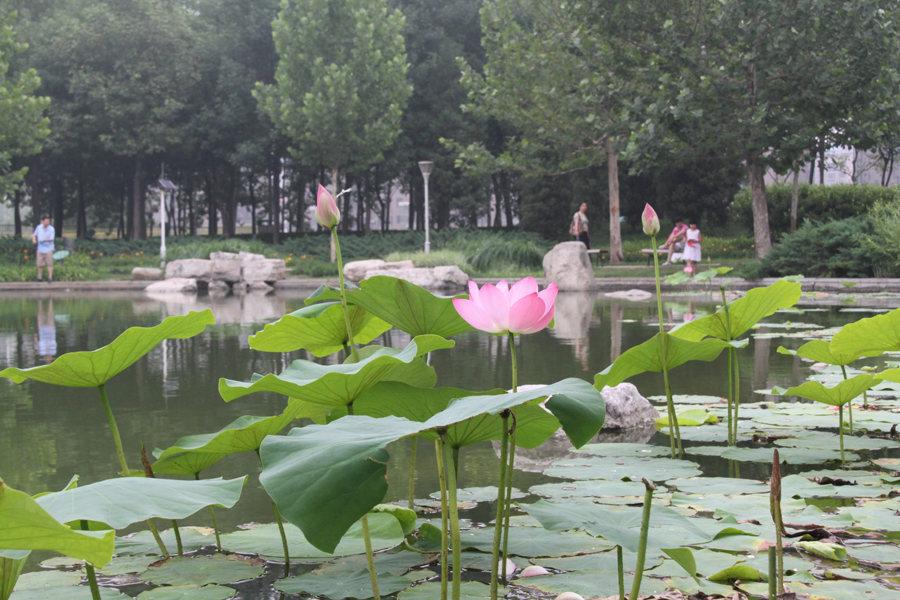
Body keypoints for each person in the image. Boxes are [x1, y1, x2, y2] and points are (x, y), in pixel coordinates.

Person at [32, 216, 55, 283]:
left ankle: (50, 277)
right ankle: (39, 277)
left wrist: (46, 239)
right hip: (40, 248)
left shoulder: (51, 229)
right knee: (40, 264)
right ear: (43, 221)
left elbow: (52, 238)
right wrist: (34, 240)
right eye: (46, 221)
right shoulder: (39, 227)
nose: (48, 222)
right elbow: (34, 235)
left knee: (49, 263)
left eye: (48, 221)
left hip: (48, 248)